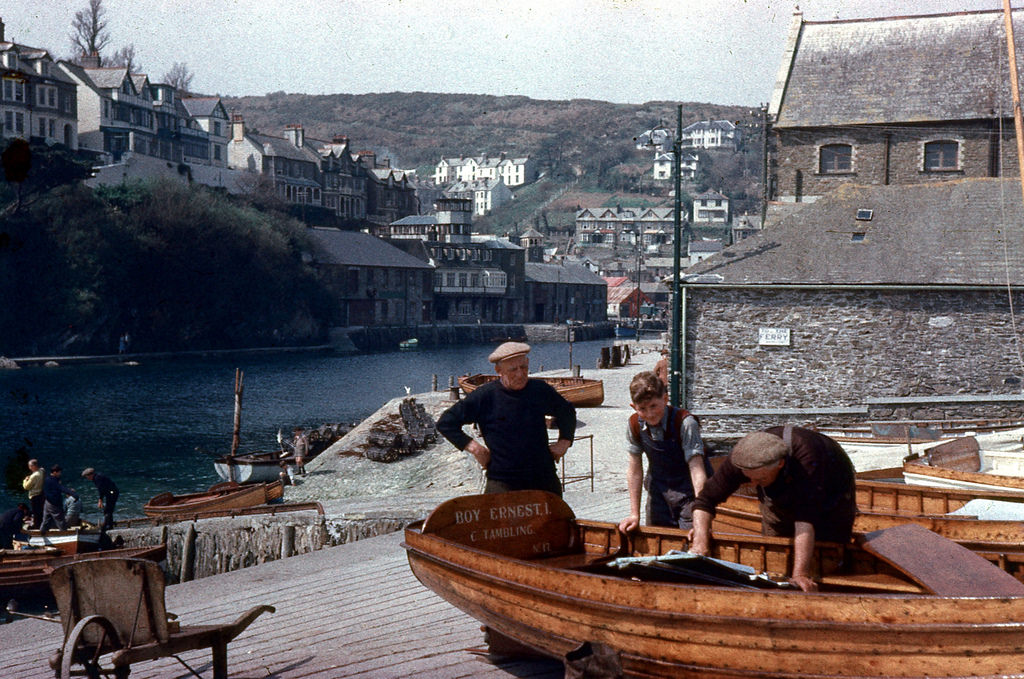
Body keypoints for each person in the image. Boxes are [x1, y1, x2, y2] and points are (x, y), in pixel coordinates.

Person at [689, 425, 857, 592]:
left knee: (828, 550)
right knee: (774, 550)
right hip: (781, 491)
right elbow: (705, 500)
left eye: (760, 479)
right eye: (749, 479)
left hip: (833, 490)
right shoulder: (741, 457)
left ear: (780, 464)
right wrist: (700, 542)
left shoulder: (809, 460)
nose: (753, 485)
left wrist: (800, 575)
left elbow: (805, 520)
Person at [437, 341, 576, 496]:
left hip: (543, 477)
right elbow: (446, 423)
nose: (520, 374)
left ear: (528, 363)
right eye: (513, 370)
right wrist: (474, 448)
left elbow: (567, 411)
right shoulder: (485, 396)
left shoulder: (540, 390)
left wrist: (565, 441)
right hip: (503, 480)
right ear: (499, 370)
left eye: (524, 367)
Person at [618, 371, 709, 534]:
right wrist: (634, 514)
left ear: (665, 399)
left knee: (692, 543)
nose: (650, 414)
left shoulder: (685, 423)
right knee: (656, 544)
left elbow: (697, 471)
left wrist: (702, 517)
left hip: (689, 495)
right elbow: (634, 470)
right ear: (634, 407)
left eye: (654, 406)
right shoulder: (634, 424)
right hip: (658, 494)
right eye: (642, 409)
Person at [40, 464, 78, 533]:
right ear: (54, 472)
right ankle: (65, 535)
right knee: (60, 520)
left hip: (47, 502)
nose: (60, 474)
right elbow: (61, 488)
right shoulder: (52, 480)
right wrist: (73, 494)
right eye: (59, 472)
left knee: (46, 520)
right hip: (54, 504)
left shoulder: (47, 479)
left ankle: (41, 533)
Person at [22, 458, 44, 529]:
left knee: (35, 512)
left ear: (33, 466)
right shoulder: (42, 471)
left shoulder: (34, 476)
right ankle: (41, 524)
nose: (29, 467)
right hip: (41, 494)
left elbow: (26, 487)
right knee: (40, 511)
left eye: (30, 466)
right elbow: (41, 469)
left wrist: (25, 480)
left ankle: (37, 526)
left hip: (34, 496)